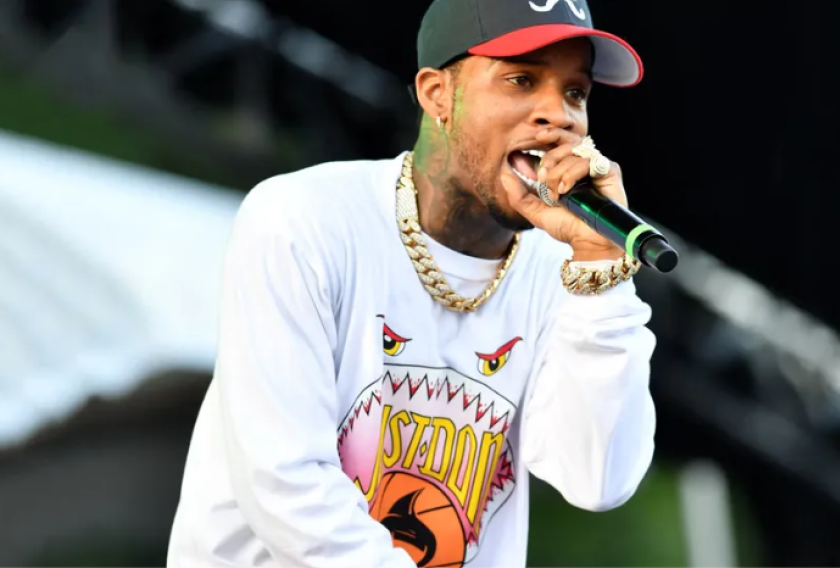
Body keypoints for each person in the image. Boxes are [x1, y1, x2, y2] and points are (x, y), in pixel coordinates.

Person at [167, 0, 656, 566]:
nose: (560, 114)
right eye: (522, 79)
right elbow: (286, 483)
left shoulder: (563, 271)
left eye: (575, 92)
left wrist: (600, 270)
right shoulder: (304, 219)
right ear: (437, 94)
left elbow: (597, 478)